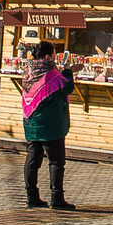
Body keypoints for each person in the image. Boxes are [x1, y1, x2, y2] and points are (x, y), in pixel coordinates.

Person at [21, 41, 76, 210]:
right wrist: (67, 70)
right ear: (46, 56)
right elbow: (67, 87)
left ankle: (32, 196)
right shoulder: (50, 74)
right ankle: (56, 198)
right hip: (50, 124)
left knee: (32, 159)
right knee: (56, 161)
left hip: (31, 121)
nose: (53, 58)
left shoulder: (28, 71)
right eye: (52, 54)